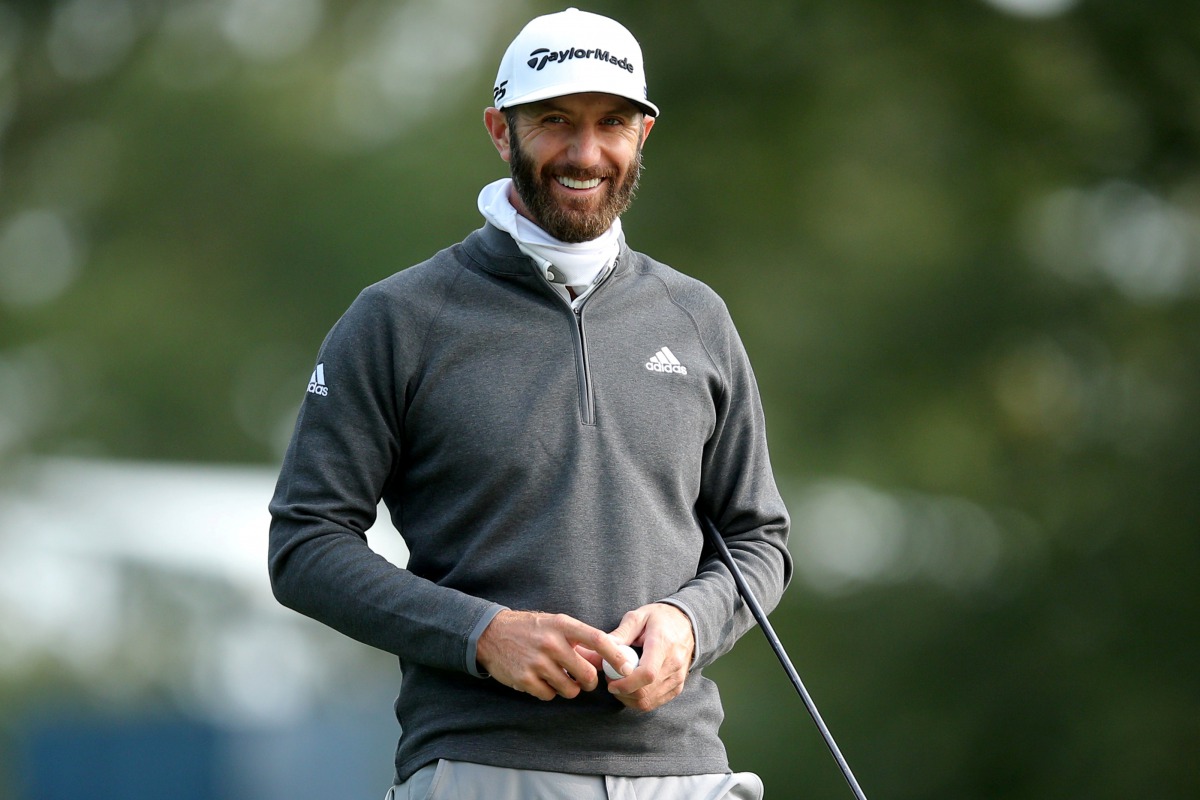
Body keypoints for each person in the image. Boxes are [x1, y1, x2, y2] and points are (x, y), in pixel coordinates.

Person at [268, 8, 791, 799]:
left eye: (612, 123)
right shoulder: (398, 320)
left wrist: (689, 623)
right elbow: (304, 544)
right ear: (499, 129)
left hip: (684, 771)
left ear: (642, 134)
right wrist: (483, 635)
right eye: (555, 122)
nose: (586, 154)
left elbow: (759, 539)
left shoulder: (696, 317)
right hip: (486, 767)